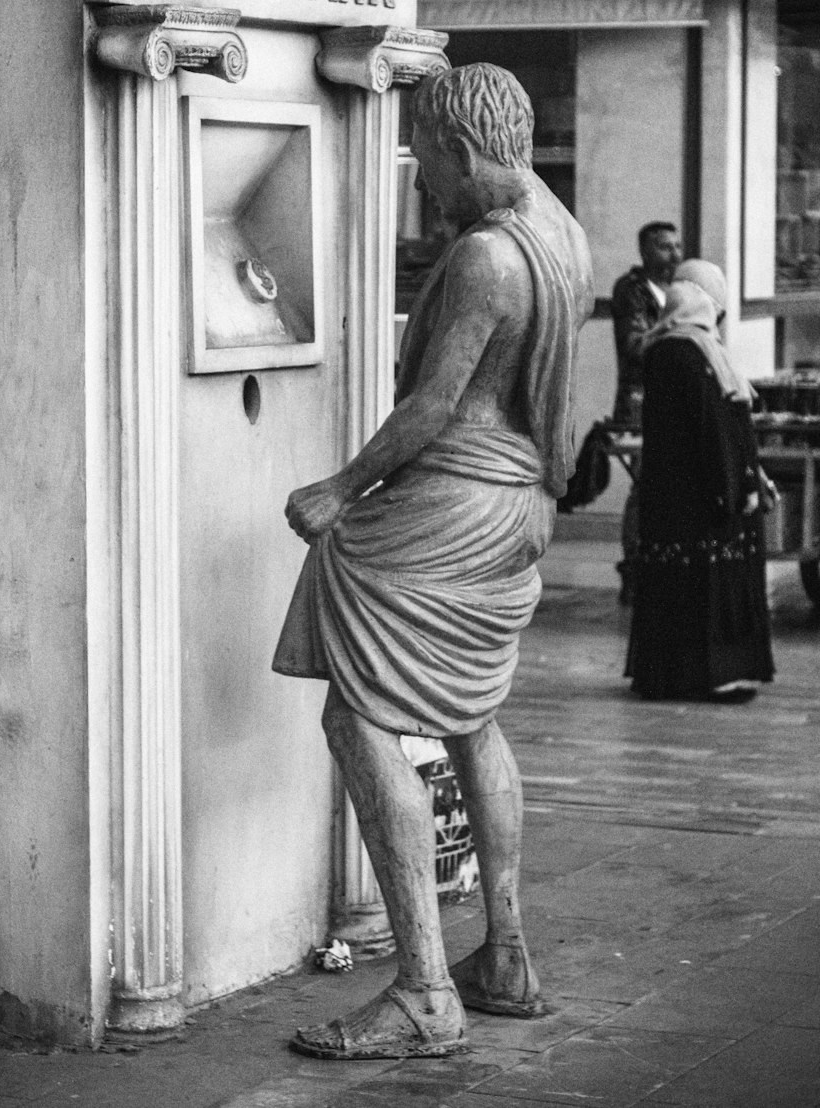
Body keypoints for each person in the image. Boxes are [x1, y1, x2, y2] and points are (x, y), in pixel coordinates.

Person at [273, 63, 593, 1059]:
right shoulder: (562, 229)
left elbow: (431, 406)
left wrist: (341, 488)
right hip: (520, 508)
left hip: (449, 507)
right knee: (473, 715)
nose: (419, 184)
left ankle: (421, 991)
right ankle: (503, 951)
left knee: (356, 713)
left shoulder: (486, 258)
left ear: (458, 151)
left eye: (424, 160)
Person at [625, 258, 776, 704]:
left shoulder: (692, 350)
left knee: (701, 582)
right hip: (696, 496)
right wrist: (734, 485)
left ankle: (699, 673)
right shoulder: (681, 352)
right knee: (702, 583)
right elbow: (709, 430)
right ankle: (705, 676)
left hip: (694, 491)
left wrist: (750, 474)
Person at [610, 222, 684, 605]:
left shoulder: (680, 291)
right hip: (639, 405)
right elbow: (636, 344)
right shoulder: (631, 290)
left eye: (677, 246)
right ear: (644, 252)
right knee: (644, 488)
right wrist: (680, 329)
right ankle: (634, 569)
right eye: (664, 247)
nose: (673, 254)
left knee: (667, 489)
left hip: (672, 403)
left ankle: (660, 568)